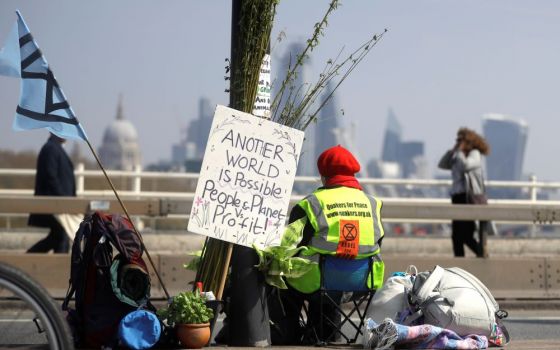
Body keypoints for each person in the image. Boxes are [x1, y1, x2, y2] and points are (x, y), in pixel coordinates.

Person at [268, 144, 385, 344]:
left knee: (278, 278)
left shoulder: (311, 204)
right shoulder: (372, 203)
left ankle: (289, 334)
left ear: (323, 175)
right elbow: (378, 241)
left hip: (316, 283)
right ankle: (325, 332)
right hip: (360, 283)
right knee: (328, 278)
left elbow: (289, 248)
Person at [438, 128, 490, 257]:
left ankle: (483, 255)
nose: (459, 142)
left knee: (466, 235)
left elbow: (466, 166)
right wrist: (452, 150)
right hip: (457, 198)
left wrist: (460, 151)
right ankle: (459, 264)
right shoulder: (457, 156)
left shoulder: (474, 154)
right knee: (456, 236)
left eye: (461, 140)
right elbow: (442, 164)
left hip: (468, 198)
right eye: (458, 139)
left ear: (469, 142)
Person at [27, 133, 76, 253]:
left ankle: (31, 260)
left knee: (58, 236)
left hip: (58, 203)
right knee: (61, 235)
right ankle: (56, 266)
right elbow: (51, 177)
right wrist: (64, 200)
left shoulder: (53, 148)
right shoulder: (51, 149)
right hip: (55, 204)